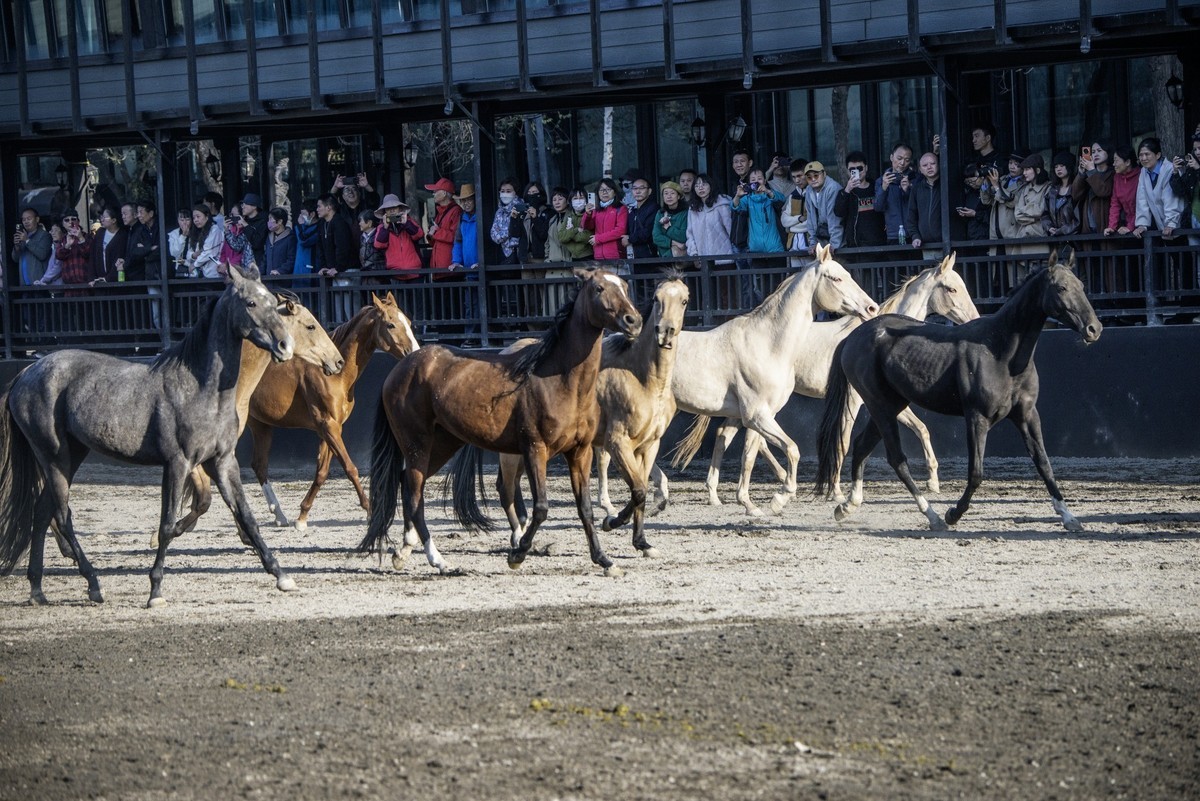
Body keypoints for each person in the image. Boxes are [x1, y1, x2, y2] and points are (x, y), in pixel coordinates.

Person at [685, 173, 734, 309]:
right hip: (704, 260)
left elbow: (731, 230)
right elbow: (690, 234)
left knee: (727, 296)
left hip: (725, 258)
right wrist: (694, 254)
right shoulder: (693, 208)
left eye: (704, 184)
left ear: (711, 186)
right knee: (709, 296)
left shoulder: (722, 204)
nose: (700, 188)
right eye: (697, 185)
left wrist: (736, 252)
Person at [1133, 137, 1186, 241]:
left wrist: (1171, 223)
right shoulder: (1144, 171)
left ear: (1157, 155)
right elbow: (1141, 199)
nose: (1143, 158)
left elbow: (1171, 198)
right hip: (1161, 226)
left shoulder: (1169, 169)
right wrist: (1142, 224)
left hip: (1178, 224)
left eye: (1147, 154)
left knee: (1184, 254)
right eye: (1140, 155)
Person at [448, 183, 480, 343]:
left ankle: (478, 336)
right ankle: (470, 336)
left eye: (469, 200)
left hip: (480, 268)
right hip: (468, 270)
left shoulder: (481, 217)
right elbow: (458, 242)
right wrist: (455, 261)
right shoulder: (463, 219)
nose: (466, 203)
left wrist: (481, 261)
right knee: (470, 306)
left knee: (481, 304)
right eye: (463, 201)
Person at [834, 151, 886, 250]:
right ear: (847, 171)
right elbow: (838, 212)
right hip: (855, 245)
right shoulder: (845, 192)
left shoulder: (877, 187)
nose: (857, 172)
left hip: (879, 243)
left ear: (866, 168)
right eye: (852, 169)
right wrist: (847, 190)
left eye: (860, 168)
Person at [733, 168, 784, 254]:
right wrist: (738, 196)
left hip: (775, 247)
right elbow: (735, 207)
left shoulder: (770, 195)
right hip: (755, 249)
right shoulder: (747, 198)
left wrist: (767, 191)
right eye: (753, 180)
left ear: (764, 181)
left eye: (759, 179)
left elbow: (782, 199)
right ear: (749, 183)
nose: (756, 182)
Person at [874, 143, 914, 245]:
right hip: (893, 235)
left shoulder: (915, 179)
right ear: (891, 157)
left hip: (914, 234)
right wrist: (884, 188)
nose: (902, 163)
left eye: (907, 160)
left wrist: (907, 190)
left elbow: (920, 206)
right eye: (899, 158)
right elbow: (878, 207)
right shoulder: (881, 181)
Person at [581, 177, 628, 263]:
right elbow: (587, 227)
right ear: (598, 193)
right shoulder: (596, 210)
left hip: (616, 255)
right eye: (601, 190)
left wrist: (599, 238)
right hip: (598, 255)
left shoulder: (621, 208)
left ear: (614, 192)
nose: (604, 192)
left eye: (608, 189)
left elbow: (620, 230)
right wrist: (587, 214)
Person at [906, 152, 943, 257]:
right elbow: (911, 216)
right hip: (926, 246)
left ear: (939, 165)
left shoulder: (946, 184)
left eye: (933, 163)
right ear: (920, 170)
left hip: (947, 244)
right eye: (925, 165)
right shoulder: (916, 189)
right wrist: (915, 236)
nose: (929, 167)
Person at [802, 160, 844, 253]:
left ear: (824, 174)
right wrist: (813, 243)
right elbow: (810, 219)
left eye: (816, 175)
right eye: (809, 177)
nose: (813, 179)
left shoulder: (832, 188)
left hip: (838, 243)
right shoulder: (809, 190)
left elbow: (834, 220)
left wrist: (834, 245)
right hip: (821, 242)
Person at [424, 177, 462, 280]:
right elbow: (435, 242)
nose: (433, 194)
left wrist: (436, 231)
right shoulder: (440, 213)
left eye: (436, 191)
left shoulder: (456, 211)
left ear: (444, 193)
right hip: (438, 269)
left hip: (450, 269)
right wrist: (431, 235)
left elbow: (456, 236)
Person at [1104, 145, 1140, 238]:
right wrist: (1112, 226)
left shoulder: (1141, 176)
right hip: (1128, 225)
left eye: (1116, 160)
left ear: (1127, 162)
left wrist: (1130, 226)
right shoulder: (1117, 177)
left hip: (1144, 225)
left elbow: (1142, 205)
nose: (1113, 164)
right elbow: (1115, 204)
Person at [88, 207, 130, 286]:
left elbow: (121, 257)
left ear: (114, 220)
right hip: (98, 281)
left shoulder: (123, 235)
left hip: (116, 282)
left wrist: (108, 278)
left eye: (105, 217)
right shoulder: (100, 233)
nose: (102, 219)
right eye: (101, 217)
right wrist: (91, 277)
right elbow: (92, 256)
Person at [11, 207, 52, 287]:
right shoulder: (22, 236)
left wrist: (27, 240)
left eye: (29, 218)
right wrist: (17, 246)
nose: (26, 222)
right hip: (24, 284)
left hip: (39, 284)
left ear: (37, 219)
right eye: (24, 220)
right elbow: (15, 259)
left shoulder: (45, 235)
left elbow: (42, 254)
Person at [55, 213, 94, 297]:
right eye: (66, 220)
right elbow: (58, 256)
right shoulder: (62, 239)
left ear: (78, 221)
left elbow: (89, 254)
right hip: (69, 287)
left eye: (73, 219)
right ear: (63, 224)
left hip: (86, 285)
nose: (70, 222)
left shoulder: (87, 236)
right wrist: (67, 245)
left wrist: (80, 238)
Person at [623, 176, 660, 260]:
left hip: (650, 256)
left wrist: (630, 239)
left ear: (649, 191)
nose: (638, 191)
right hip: (634, 255)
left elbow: (648, 232)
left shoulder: (653, 208)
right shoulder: (632, 210)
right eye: (635, 188)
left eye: (642, 188)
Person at [780, 163, 809, 265]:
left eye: (799, 176)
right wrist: (799, 219)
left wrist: (791, 227)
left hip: (810, 247)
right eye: (794, 177)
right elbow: (784, 220)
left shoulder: (814, 194)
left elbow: (813, 223)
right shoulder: (792, 196)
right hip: (793, 246)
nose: (797, 180)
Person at [1047, 152, 1080, 240]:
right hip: (1055, 238)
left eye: (1061, 165)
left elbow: (1078, 219)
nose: (1058, 169)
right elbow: (1045, 214)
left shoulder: (1076, 188)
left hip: (1074, 238)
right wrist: (1049, 227)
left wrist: (1061, 231)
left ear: (1069, 166)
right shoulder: (1052, 190)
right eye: (1056, 167)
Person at [652, 181, 689, 258]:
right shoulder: (660, 213)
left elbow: (683, 236)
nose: (669, 196)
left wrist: (668, 228)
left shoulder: (685, 213)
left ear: (678, 196)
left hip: (680, 257)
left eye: (672, 193)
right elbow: (656, 237)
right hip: (663, 257)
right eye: (666, 193)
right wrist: (675, 243)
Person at [186, 204, 223, 280]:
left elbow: (209, 252)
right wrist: (193, 255)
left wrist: (195, 264)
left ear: (207, 216)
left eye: (198, 216)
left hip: (213, 273)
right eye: (194, 218)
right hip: (198, 275)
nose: (195, 220)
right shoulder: (195, 232)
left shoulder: (214, 230)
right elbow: (188, 253)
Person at [954, 163, 990, 242]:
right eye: (968, 182)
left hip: (987, 236)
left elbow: (992, 216)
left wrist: (975, 214)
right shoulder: (970, 193)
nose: (971, 184)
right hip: (972, 235)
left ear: (982, 176)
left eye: (973, 181)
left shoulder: (990, 191)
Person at [555, 188, 593, 261]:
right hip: (573, 257)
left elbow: (587, 237)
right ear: (570, 201)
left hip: (588, 256)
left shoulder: (590, 215)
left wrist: (570, 234)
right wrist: (576, 230)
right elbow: (561, 237)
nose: (578, 201)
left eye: (581, 198)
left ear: (586, 200)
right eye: (575, 198)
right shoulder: (568, 216)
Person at [292, 198, 319, 288]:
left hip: (311, 272)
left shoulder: (318, 228)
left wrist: (300, 225)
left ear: (312, 214)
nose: (300, 217)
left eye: (303, 214)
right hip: (298, 271)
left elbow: (304, 241)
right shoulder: (303, 227)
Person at [263, 207, 297, 277]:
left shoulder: (290, 238)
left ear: (280, 221)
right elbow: (265, 259)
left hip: (283, 280)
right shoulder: (269, 237)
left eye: (271, 219)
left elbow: (291, 260)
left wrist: (280, 271)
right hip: (269, 280)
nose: (268, 222)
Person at [239, 193, 269, 268]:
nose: (243, 207)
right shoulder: (244, 220)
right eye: (242, 204)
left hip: (257, 263)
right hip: (243, 262)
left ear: (254, 207)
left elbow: (257, 243)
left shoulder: (263, 221)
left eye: (246, 204)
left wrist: (246, 226)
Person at [167, 208, 192, 277]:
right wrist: (183, 236)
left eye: (187, 220)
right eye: (182, 220)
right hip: (179, 269)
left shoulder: (196, 233)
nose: (184, 223)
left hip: (194, 268)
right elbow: (174, 253)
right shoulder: (173, 234)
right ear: (178, 221)